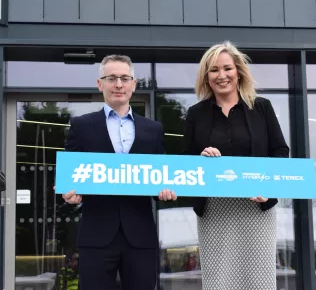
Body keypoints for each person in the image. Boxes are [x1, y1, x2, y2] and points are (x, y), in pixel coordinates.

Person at [59, 55, 177, 290]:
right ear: (100, 84)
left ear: (133, 84)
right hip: (96, 233)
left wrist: (164, 192)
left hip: (140, 235)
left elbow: (158, 178)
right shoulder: (81, 126)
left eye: (125, 78)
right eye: (111, 78)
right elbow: (70, 177)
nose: (119, 84)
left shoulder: (153, 130)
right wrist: (67, 193)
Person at [182, 41, 289, 289]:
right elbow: (186, 160)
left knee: (258, 281)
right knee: (219, 281)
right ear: (206, 77)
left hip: (256, 208)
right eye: (214, 70)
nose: (222, 76)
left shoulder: (261, 107)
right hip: (214, 209)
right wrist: (202, 158)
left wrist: (270, 190)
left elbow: (280, 151)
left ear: (238, 71)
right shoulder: (196, 114)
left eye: (227, 68)